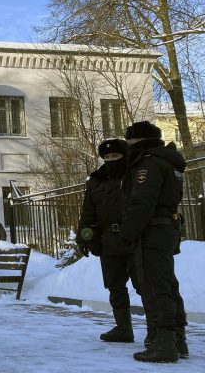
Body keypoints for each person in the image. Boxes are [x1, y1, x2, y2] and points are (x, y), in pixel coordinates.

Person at [120, 121, 188, 363]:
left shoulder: (148, 163)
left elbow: (142, 202)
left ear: (137, 141)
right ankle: (178, 340)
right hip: (166, 228)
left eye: (129, 141)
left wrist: (127, 232)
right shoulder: (168, 161)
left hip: (152, 230)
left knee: (155, 286)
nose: (127, 146)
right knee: (167, 284)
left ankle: (165, 344)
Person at [77, 138, 142, 343]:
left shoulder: (135, 175)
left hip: (134, 238)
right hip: (108, 240)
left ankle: (157, 330)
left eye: (115, 156)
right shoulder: (96, 180)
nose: (111, 160)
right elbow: (88, 211)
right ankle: (123, 328)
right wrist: (84, 236)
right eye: (107, 157)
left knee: (144, 285)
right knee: (115, 286)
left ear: (124, 155)